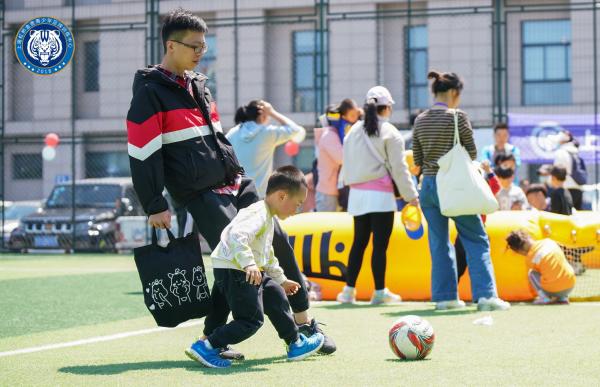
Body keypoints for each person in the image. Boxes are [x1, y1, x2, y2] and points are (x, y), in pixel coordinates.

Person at [126, 8, 335, 360]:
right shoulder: (150, 92)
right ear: (170, 45)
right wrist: (154, 202)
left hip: (237, 181)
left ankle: (300, 320)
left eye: (203, 46)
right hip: (199, 191)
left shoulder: (198, 84)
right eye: (193, 46)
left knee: (276, 240)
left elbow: (217, 139)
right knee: (241, 255)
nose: (199, 52)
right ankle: (282, 336)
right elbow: (143, 151)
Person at [185, 167, 324, 368]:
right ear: (282, 196)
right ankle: (207, 347)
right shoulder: (258, 213)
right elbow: (237, 235)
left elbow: (267, 256)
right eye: (297, 204)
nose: (297, 210)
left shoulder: (267, 217)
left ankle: (296, 343)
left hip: (246, 270)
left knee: (275, 294)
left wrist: (282, 280)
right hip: (237, 270)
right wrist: (248, 263)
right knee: (250, 320)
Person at [413, 70, 510, 311]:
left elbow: (417, 157)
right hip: (454, 185)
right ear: (454, 93)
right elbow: (472, 153)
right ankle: (486, 296)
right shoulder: (458, 117)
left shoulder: (420, 119)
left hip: (428, 186)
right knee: (476, 237)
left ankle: (445, 298)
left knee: (439, 242)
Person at [336, 86, 419, 305]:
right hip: (380, 195)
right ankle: (380, 292)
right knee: (379, 245)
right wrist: (411, 195)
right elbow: (399, 168)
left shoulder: (353, 131)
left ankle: (348, 291)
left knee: (359, 243)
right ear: (388, 107)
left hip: (357, 194)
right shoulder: (390, 132)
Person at [226, 100, 306, 198]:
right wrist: (272, 112)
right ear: (262, 116)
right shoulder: (266, 133)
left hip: (236, 194)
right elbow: (296, 130)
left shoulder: (232, 133)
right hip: (259, 194)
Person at [454, 160, 500, 282]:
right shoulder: (468, 190)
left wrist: (489, 171)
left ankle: (451, 294)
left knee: (471, 266)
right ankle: (453, 294)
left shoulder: (482, 190)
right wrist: (489, 171)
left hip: (471, 232)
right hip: (471, 232)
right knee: (464, 266)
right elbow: (496, 186)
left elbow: (496, 186)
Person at [315, 99, 362, 212]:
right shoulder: (329, 136)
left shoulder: (335, 134)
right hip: (328, 192)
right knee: (326, 227)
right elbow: (342, 159)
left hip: (333, 191)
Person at [505, 230, 575, 305]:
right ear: (529, 237)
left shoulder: (530, 259)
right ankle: (563, 298)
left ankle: (544, 298)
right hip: (570, 284)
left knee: (531, 273)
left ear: (520, 251)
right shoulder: (549, 241)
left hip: (553, 290)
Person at [554, 131, 585, 210]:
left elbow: (557, 170)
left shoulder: (561, 152)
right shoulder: (575, 152)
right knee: (577, 218)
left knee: (564, 217)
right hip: (579, 188)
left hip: (566, 189)